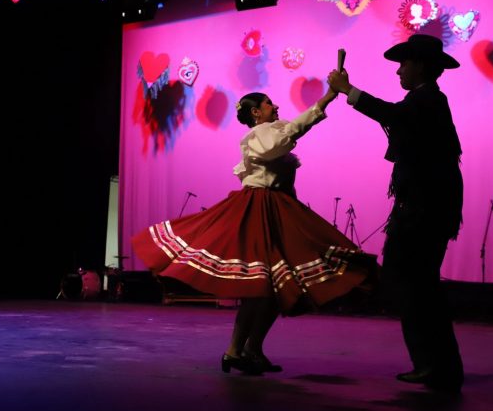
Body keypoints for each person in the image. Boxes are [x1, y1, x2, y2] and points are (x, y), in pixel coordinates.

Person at [132, 87, 377, 375]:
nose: (276, 106)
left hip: (278, 209)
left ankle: (251, 349)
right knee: (260, 287)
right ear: (256, 112)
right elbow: (290, 134)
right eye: (269, 104)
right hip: (260, 209)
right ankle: (235, 350)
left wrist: (329, 96)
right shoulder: (258, 134)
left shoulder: (272, 131)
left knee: (274, 289)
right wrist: (326, 98)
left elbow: (292, 131)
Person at [327, 33, 465, 392]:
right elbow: (396, 118)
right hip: (425, 209)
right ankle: (434, 365)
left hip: (424, 212)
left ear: (419, 65)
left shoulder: (427, 100)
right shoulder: (425, 100)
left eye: (404, 63)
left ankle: (435, 365)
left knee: (415, 286)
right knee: (418, 286)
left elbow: (391, 114)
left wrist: (347, 90)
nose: (399, 70)